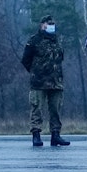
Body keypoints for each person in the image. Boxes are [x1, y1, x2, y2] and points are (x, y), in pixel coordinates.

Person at [21, 15, 68, 147]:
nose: (52, 26)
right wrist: (35, 72)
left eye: (53, 24)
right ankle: (36, 135)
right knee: (37, 109)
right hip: (39, 82)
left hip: (56, 82)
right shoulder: (34, 40)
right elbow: (26, 60)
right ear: (42, 25)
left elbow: (61, 58)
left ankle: (56, 135)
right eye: (49, 24)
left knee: (56, 110)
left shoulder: (57, 40)